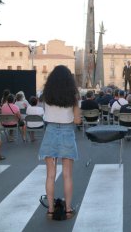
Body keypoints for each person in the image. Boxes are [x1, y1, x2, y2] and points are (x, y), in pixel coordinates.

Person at [38, 65, 80, 220]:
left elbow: (46, 114)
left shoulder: (46, 95)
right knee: (67, 175)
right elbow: (77, 120)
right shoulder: (73, 96)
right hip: (67, 133)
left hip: (50, 133)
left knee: (50, 175)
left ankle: (50, 210)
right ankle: (68, 210)